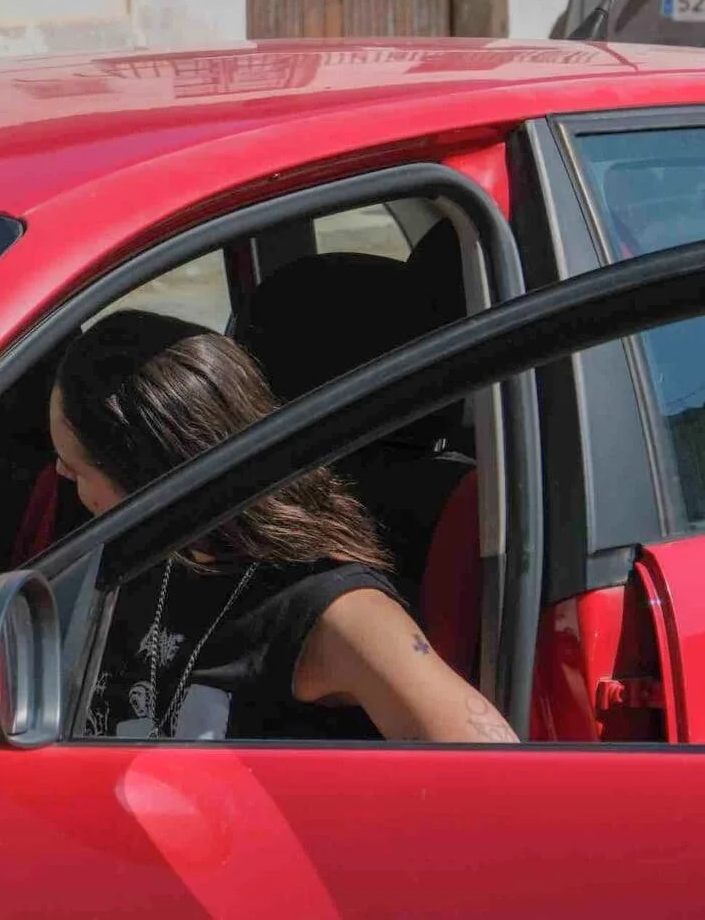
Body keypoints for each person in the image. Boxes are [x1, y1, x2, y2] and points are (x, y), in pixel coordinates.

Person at [53, 310, 517, 744]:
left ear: (148, 479)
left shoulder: (335, 613)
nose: (57, 472)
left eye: (76, 470)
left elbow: (503, 782)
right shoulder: (146, 558)